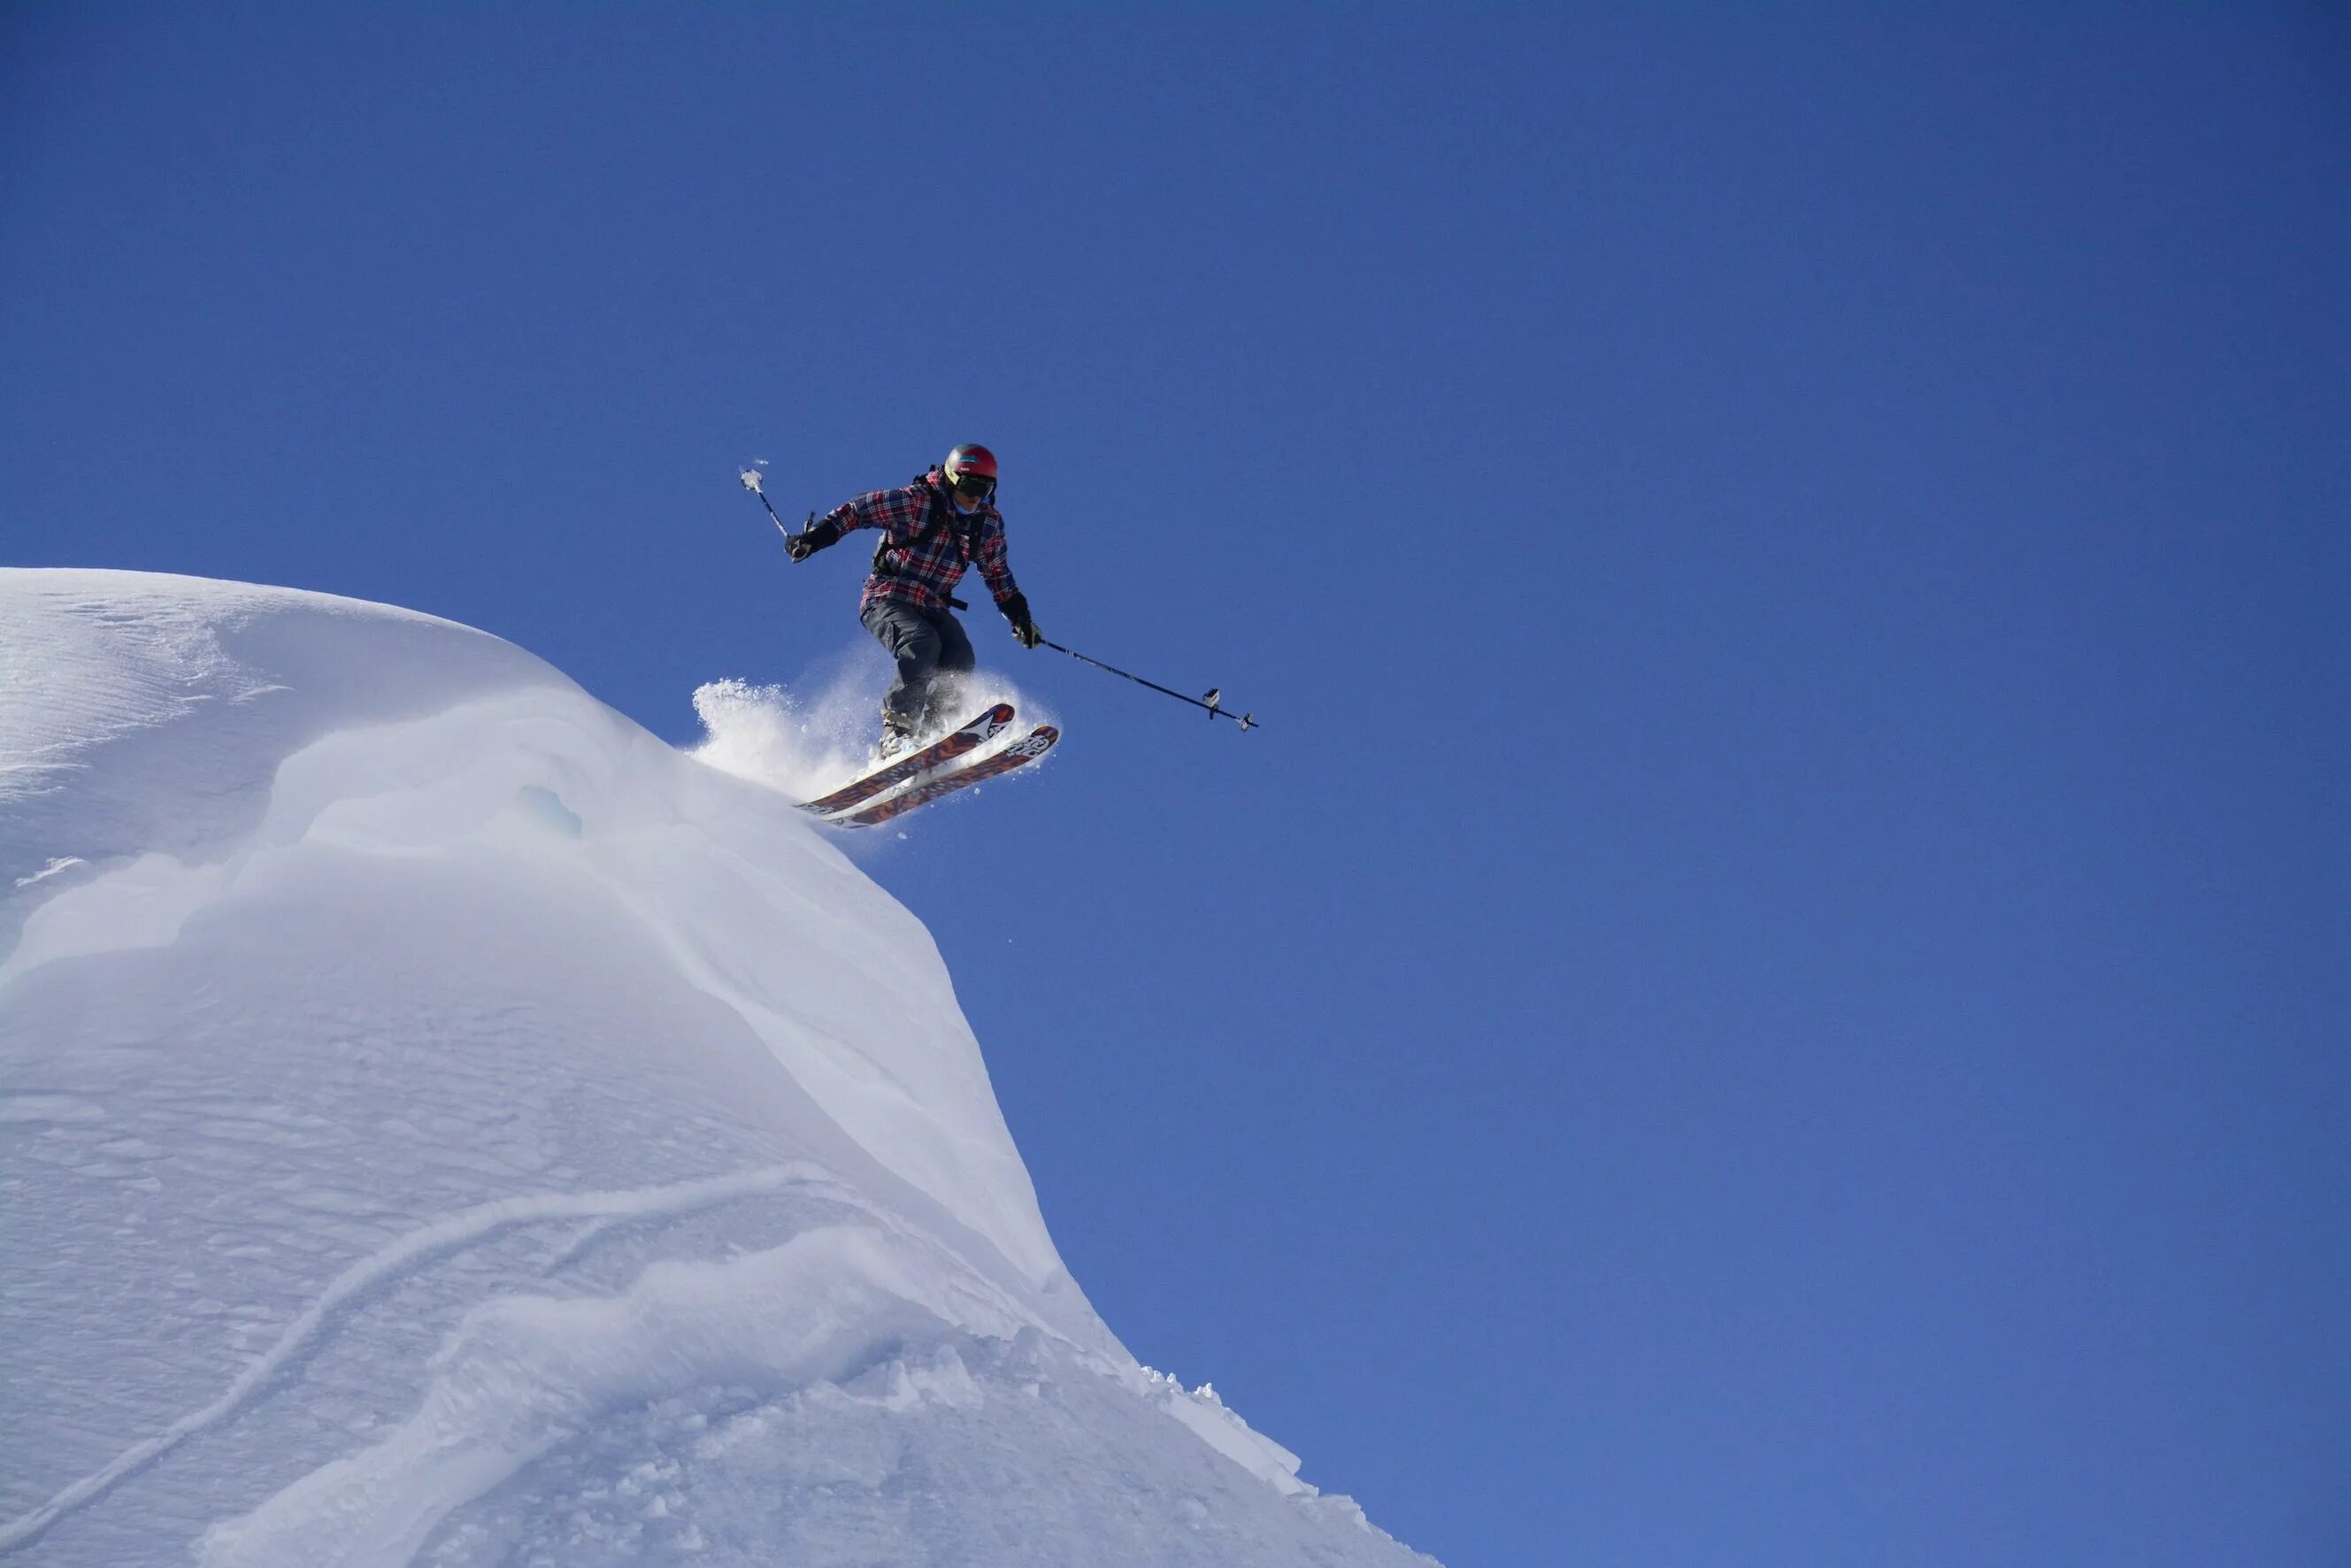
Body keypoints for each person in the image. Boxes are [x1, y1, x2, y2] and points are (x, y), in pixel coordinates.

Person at [785, 443, 1042, 757]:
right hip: (887, 595)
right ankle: (897, 732)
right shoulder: (917, 502)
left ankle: (937, 731)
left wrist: (1020, 618)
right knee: (922, 643)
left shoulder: (986, 525)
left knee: (960, 657)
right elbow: (856, 511)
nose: (974, 498)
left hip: (932, 603)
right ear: (950, 479)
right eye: (968, 487)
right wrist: (813, 540)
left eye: (984, 489)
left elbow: (998, 573)